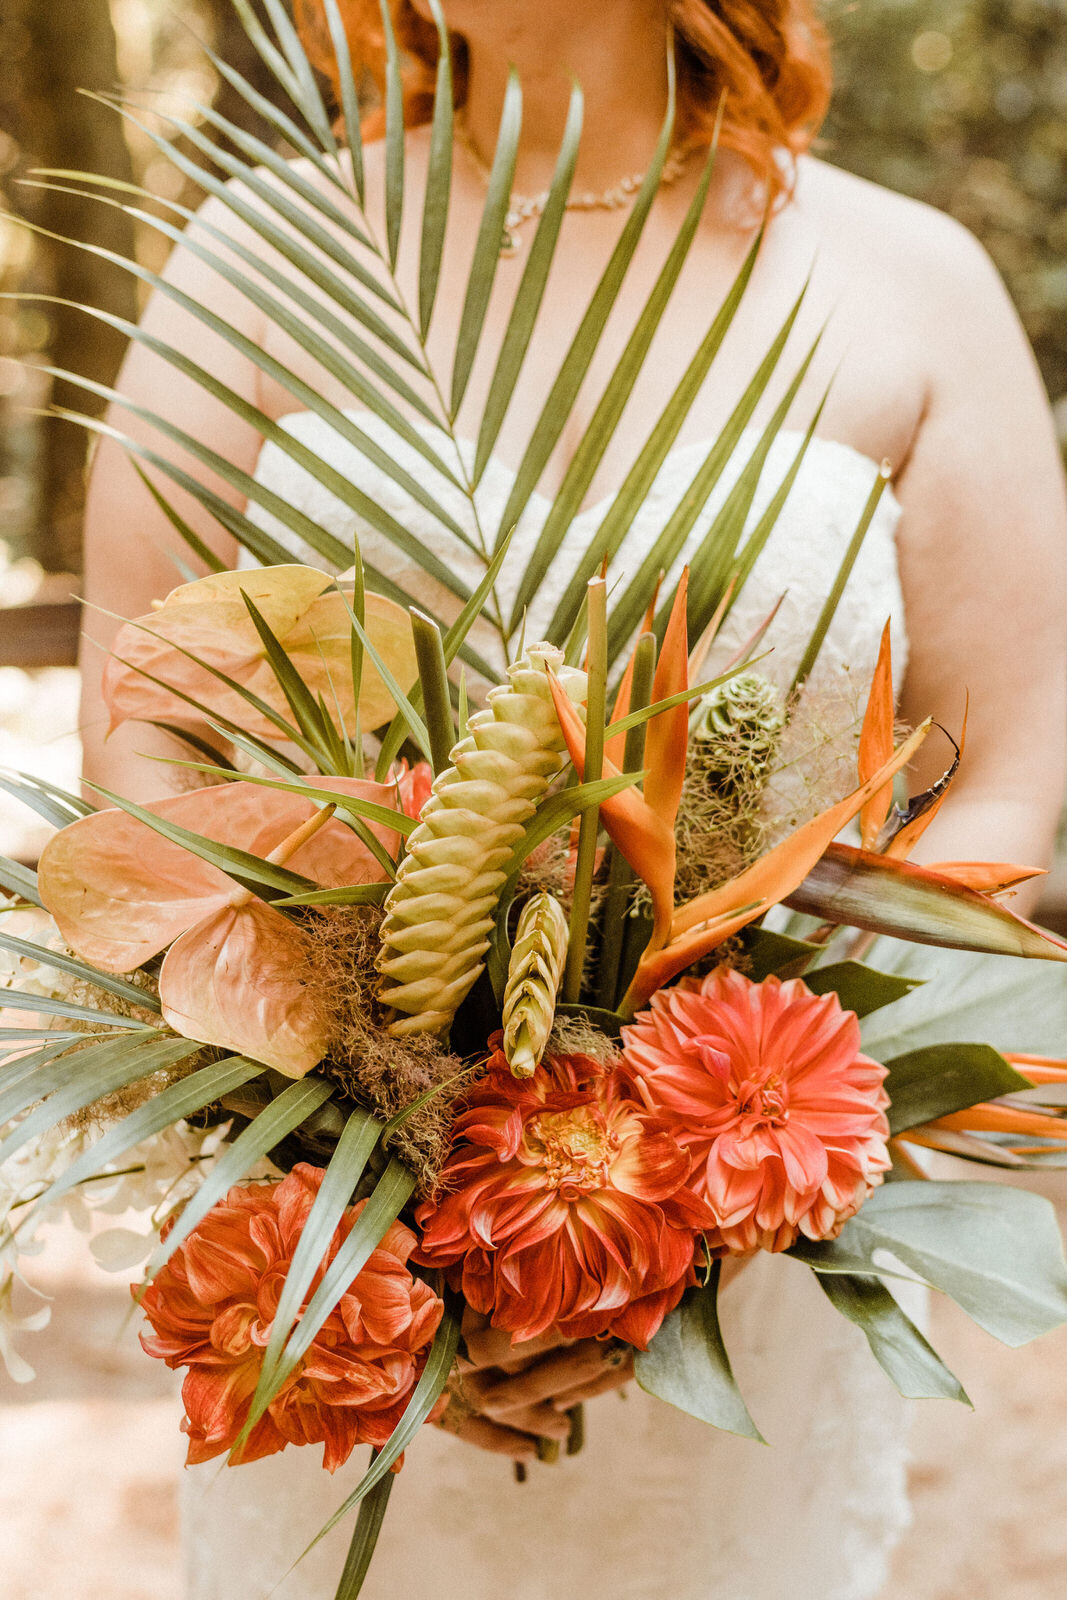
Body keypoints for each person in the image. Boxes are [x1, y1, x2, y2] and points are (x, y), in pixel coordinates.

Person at [78, 2, 1067, 1595]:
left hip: (747, 1275)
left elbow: (1003, 777)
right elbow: (144, 746)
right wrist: (370, 1204)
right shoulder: (259, 265)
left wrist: (664, 1210)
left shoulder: (914, 284)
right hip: (336, 1267)